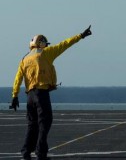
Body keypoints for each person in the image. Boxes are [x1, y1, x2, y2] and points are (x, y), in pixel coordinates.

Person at [9, 25, 92, 160]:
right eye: (44, 43)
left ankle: (25, 152)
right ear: (40, 43)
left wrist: (14, 96)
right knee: (45, 123)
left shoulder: (24, 59)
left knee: (32, 124)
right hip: (41, 94)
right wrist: (81, 36)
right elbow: (65, 44)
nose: (46, 45)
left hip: (29, 96)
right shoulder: (46, 53)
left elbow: (17, 78)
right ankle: (41, 153)